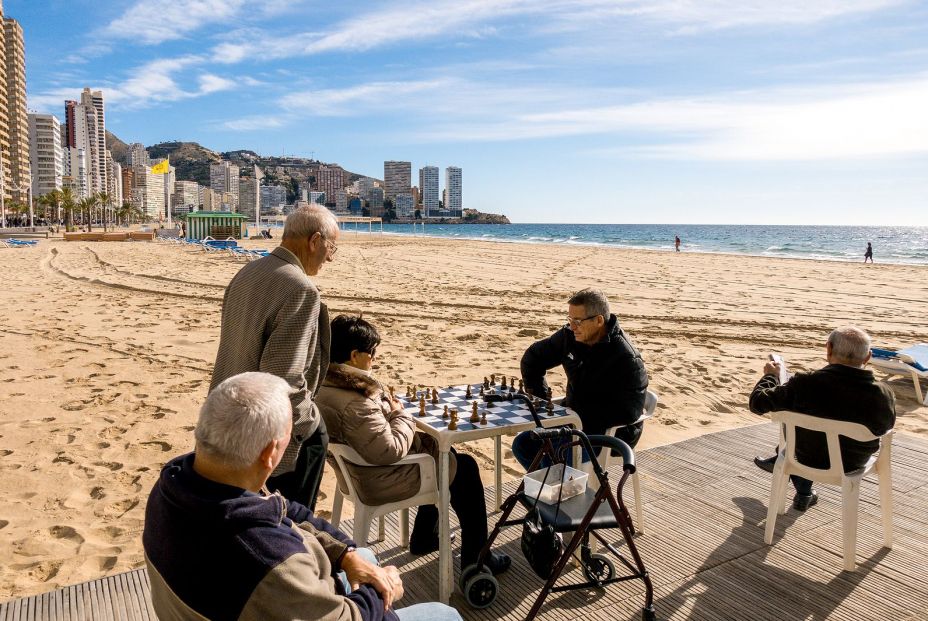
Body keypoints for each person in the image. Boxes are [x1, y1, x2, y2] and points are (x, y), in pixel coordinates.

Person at [143, 372, 461, 621]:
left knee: (364, 557)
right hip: (294, 600)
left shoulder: (176, 487)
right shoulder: (270, 560)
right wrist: (381, 590)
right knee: (443, 614)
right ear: (270, 454)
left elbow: (285, 509)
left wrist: (345, 554)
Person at [316, 315, 511, 575]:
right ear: (354, 355)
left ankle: (425, 537)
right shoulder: (355, 401)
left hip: (355, 472)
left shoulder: (325, 384)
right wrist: (400, 415)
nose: (374, 358)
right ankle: (477, 558)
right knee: (465, 468)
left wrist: (387, 409)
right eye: (371, 353)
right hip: (379, 479)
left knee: (446, 455)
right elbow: (390, 450)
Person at [210, 205, 339, 511]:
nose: (331, 257)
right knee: (287, 528)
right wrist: (311, 425)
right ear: (314, 241)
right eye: (331, 247)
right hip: (270, 434)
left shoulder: (248, 272)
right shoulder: (301, 289)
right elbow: (284, 377)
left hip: (227, 418)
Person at [750, 326, 895, 511]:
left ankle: (791, 471)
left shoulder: (805, 384)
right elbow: (885, 427)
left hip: (803, 458)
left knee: (798, 425)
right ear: (867, 357)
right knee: (810, 425)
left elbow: (757, 403)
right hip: (852, 463)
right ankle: (802, 491)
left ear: (829, 349)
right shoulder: (883, 394)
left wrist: (770, 376)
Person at [511, 288, 649, 469]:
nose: (572, 326)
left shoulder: (626, 358)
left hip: (611, 435)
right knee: (523, 444)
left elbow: (629, 412)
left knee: (563, 452)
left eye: (577, 321)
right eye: (570, 320)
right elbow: (532, 359)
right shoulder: (570, 336)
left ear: (599, 320)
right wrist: (542, 401)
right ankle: (553, 488)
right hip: (574, 424)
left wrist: (577, 417)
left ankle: (556, 488)